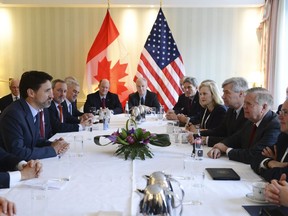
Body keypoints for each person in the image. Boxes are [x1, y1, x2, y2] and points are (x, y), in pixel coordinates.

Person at [0, 71, 69, 160]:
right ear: (31, 93)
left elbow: (35, 140)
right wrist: (52, 150)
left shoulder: (32, 110)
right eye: (47, 91)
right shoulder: (13, 115)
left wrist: (52, 144)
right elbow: (18, 153)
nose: (52, 96)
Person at [207, 87, 280, 164]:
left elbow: (254, 155)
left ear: (264, 107)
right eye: (244, 103)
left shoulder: (274, 125)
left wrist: (226, 150)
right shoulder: (251, 121)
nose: (244, 107)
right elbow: (235, 138)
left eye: (248, 104)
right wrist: (219, 147)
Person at [193, 77, 249, 147]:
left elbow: (237, 140)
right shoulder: (231, 110)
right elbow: (220, 130)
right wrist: (198, 134)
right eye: (223, 93)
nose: (223, 96)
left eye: (227, 93)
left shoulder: (249, 113)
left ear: (241, 94)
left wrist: (206, 140)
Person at [251, 99, 288, 182]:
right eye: (281, 112)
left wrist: (266, 169)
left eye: (285, 112)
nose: (280, 117)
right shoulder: (284, 136)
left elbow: (281, 177)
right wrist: (269, 162)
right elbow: (255, 158)